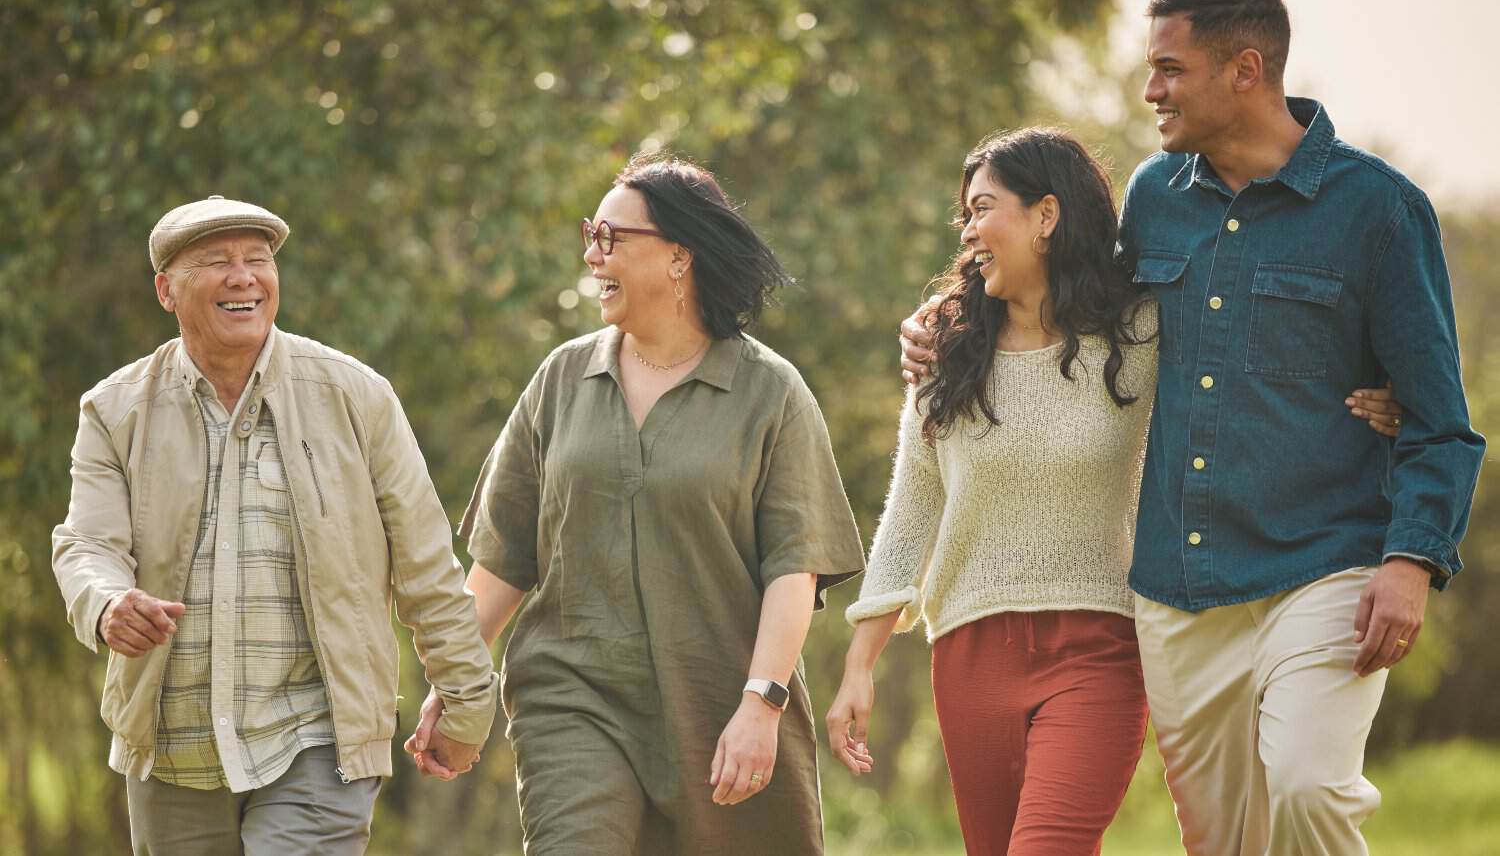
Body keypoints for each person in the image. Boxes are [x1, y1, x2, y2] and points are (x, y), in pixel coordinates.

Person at [900, 0, 1484, 853]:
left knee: (1306, 786)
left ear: (1245, 69)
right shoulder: (1155, 197)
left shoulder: (1380, 211)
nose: (1150, 91)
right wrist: (946, 320)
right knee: (1220, 839)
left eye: (1169, 70)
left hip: (1326, 564)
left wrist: (1411, 558)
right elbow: (1076, 308)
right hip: (1179, 587)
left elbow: (1442, 416)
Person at [406, 155, 865, 854]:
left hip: (719, 703)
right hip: (573, 696)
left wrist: (761, 704)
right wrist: (457, 682)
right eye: (591, 234)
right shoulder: (562, 378)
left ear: (679, 256)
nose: (593, 255)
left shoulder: (770, 393)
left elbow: (794, 569)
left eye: (611, 238)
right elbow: (503, 558)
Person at [52, 196, 499, 856]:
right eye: (215, 262)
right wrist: (108, 602)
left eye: (257, 260)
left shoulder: (356, 397)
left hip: (319, 738)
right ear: (165, 291)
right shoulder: (115, 408)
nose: (243, 277)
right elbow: (87, 542)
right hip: (172, 744)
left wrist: (465, 701)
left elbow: (425, 562)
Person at [829, 128, 1157, 854]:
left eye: (983, 208)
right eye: (964, 215)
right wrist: (860, 665)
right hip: (972, 655)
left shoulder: (1140, 336)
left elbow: (1236, 382)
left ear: (1047, 215)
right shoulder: (949, 354)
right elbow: (910, 512)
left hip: (1098, 647)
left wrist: (1373, 390)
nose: (968, 231)